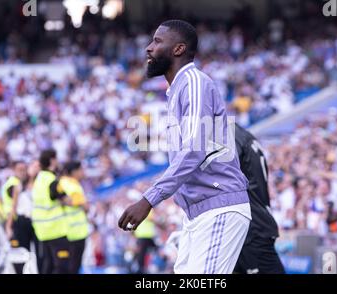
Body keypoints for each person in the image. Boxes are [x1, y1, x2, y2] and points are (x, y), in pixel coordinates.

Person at [118, 20, 251, 274]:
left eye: (157, 41)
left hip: (219, 206)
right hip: (198, 214)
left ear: (178, 49)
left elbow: (194, 150)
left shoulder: (193, 82)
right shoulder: (177, 90)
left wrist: (148, 199)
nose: (148, 48)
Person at [232, 123, 285, 274]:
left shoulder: (228, 135)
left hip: (250, 227)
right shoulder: (243, 134)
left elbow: (225, 177)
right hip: (254, 222)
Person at [32, 149, 70, 274]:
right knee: (61, 266)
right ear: (52, 160)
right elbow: (66, 200)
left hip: (42, 231)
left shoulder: (38, 179)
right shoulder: (52, 180)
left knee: (47, 266)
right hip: (55, 230)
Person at [59, 161, 89, 274]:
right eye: (81, 170)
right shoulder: (71, 184)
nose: (83, 172)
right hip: (75, 232)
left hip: (68, 231)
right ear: (74, 171)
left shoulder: (63, 182)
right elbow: (83, 205)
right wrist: (84, 205)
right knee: (73, 267)